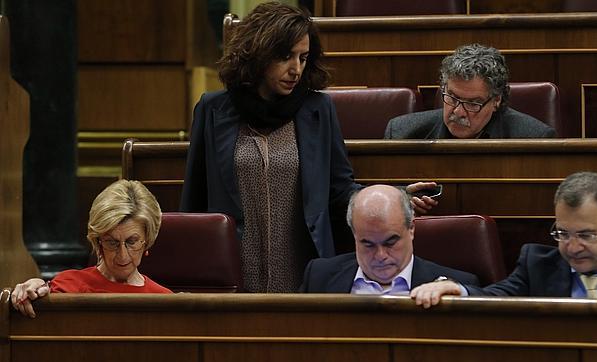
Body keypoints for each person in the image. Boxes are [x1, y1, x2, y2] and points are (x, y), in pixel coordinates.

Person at [180, 2, 437, 293]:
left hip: (301, 271)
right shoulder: (213, 110)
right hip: (232, 271)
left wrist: (394, 198)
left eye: (303, 58)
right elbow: (195, 200)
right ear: (258, 54)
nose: (296, 69)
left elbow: (340, 190)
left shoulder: (317, 109)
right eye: (286, 57)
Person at [411, 172, 597, 308]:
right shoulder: (537, 265)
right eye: (563, 233)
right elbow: (495, 297)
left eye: (586, 235)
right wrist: (456, 289)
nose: (572, 247)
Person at [11, 180, 171, 318]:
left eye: (132, 242)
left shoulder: (166, 302)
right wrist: (32, 294)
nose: (123, 256)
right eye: (112, 242)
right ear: (98, 241)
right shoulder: (67, 287)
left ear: (147, 241)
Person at [299, 185, 479, 294]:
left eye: (390, 242)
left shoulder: (457, 286)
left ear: (411, 229)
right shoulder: (319, 277)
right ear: (354, 235)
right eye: (367, 244)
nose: (380, 255)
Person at [384, 43, 556, 139]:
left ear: (496, 100)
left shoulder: (534, 138)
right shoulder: (402, 133)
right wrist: (403, 196)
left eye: (473, 103)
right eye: (452, 97)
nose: (458, 111)